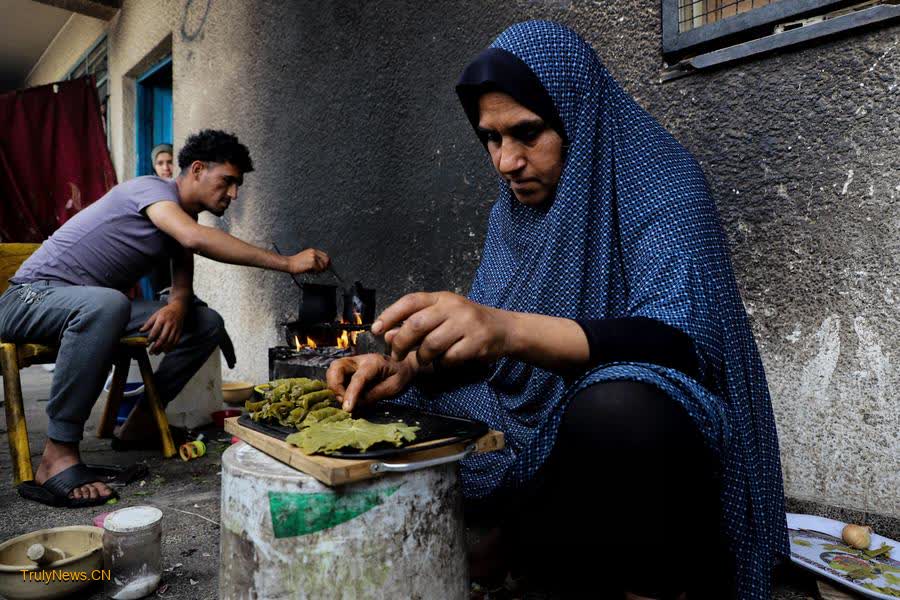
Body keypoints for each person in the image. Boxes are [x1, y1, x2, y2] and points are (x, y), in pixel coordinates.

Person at [327, 21, 787, 600]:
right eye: (490, 138)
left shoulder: (663, 182)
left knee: (622, 409)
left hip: (644, 428)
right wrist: (410, 367)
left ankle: (630, 579)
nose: (506, 162)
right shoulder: (512, 214)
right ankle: (521, 537)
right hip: (535, 409)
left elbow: (680, 341)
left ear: (576, 115)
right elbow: (488, 351)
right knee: (404, 406)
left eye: (527, 133)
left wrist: (505, 329)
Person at [0, 129, 331, 508]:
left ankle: (139, 425)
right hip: (28, 297)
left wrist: (177, 306)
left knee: (204, 322)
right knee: (108, 304)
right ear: (197, 169)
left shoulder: (178, 217)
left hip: (88, 307)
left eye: (238, 185)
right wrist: (288, 262)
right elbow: (193, 239)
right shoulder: (152, 191)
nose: (233, 194)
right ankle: (57, 454)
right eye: (228, 181)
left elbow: (182, 280)